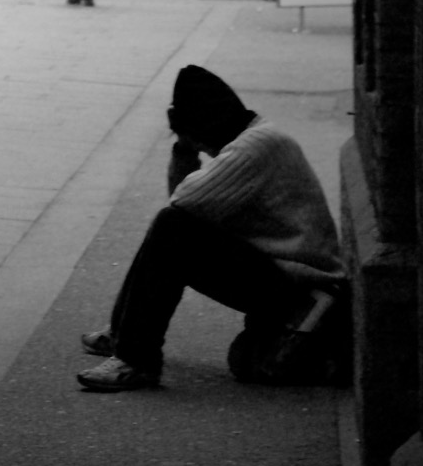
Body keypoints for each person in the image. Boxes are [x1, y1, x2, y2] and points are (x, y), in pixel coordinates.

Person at [75, 65, 346, 392]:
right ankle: (125, 338)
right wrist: (185, 147)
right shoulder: (256, 136)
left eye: (195, 139)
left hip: (301, 287)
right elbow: (188, 209)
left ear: (206, 126)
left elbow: (182, 203)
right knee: (174, 228)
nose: (201, 150)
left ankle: (136, 359)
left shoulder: (255, 147)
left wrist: (183, 149)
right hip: (287, 279)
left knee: (172, 227)